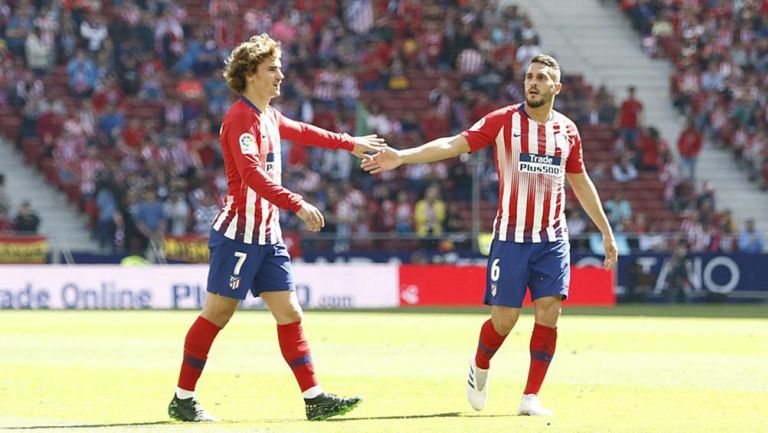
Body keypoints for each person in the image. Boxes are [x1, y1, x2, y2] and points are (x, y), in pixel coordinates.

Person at [363, 54, 617, 416]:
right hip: (511, 238)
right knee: (505, 320)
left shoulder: (568, 131)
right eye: (529, 76)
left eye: (542, 78)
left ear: (556, 87)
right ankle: (480, 364)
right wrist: (402, 156)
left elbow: (580, 180)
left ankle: (530, 397)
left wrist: (605, 230)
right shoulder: (503, 122)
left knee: (549, 311)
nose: (533, 82)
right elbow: (454, 144)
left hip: (552, 238)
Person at [168, 34, 386, 423]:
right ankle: (183, 400)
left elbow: (305, 132)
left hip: (268, 237)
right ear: (251, 74)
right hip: (238, 235)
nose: (281, 75)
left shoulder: (268, 115)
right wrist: (297, 203)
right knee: (217, 314)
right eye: (273, 69)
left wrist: (349, 142)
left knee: (290, 313)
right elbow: (251, 176)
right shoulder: (240, 118)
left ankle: (314, 398)